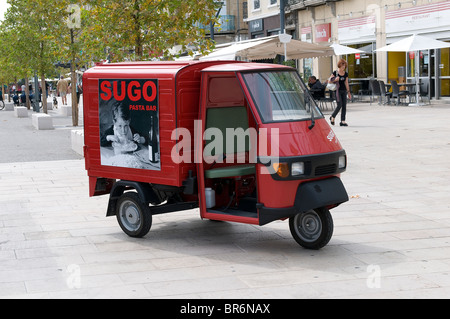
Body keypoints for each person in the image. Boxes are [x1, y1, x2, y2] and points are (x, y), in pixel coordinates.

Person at [329, 59, 352, 127]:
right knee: (339, 105)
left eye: (344, 65)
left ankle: (342, 121)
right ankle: (332, 116)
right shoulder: (335, 73)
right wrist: (335, 79)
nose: (343, 67)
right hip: (337, 91)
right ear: (339, 65)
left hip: (344, 91)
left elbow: (346, 83)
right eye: (342, 65)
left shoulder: (346, 74)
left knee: (344, 106)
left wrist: (348, 92)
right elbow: (329, 81)